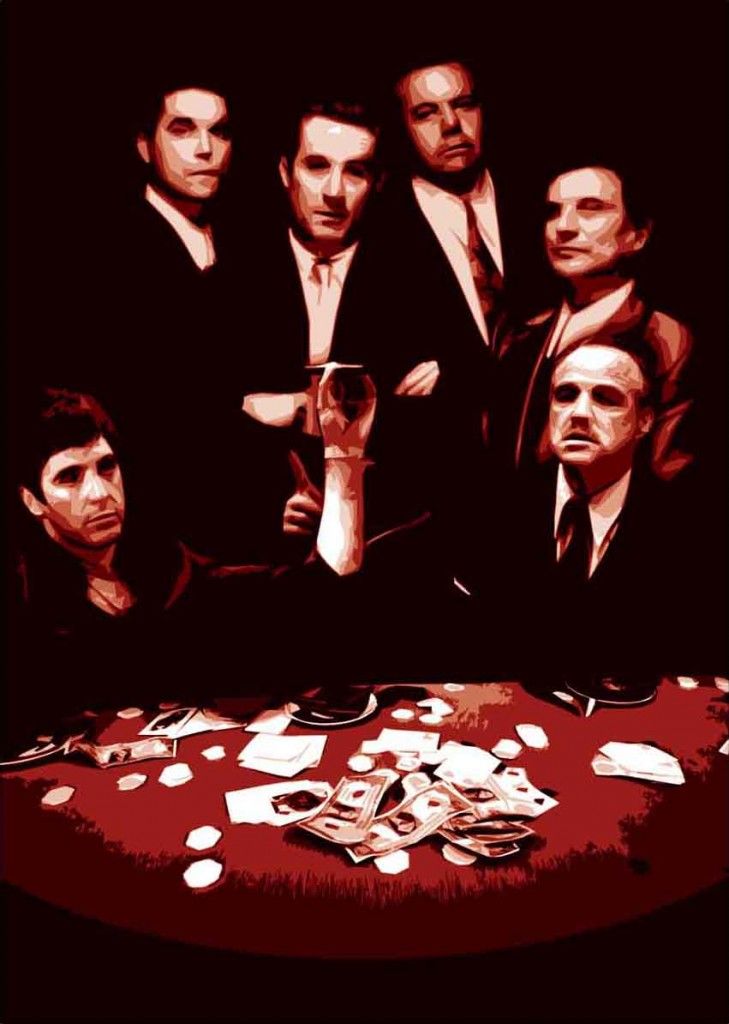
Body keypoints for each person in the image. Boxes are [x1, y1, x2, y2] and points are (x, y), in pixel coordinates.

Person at [9, 380, 375, 736]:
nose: (98, 493)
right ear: (31, 500)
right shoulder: (24, 597)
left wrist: (343, 459)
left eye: (106, 467)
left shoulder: (162, 564)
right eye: (69, 478)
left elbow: (311, 593)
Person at [495, 162, 695, 481]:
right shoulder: (518, 335)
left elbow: (668, 473)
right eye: (553, 211)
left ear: (638, 235)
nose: (563, 227)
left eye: (590, 209)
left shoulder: (666, 339)